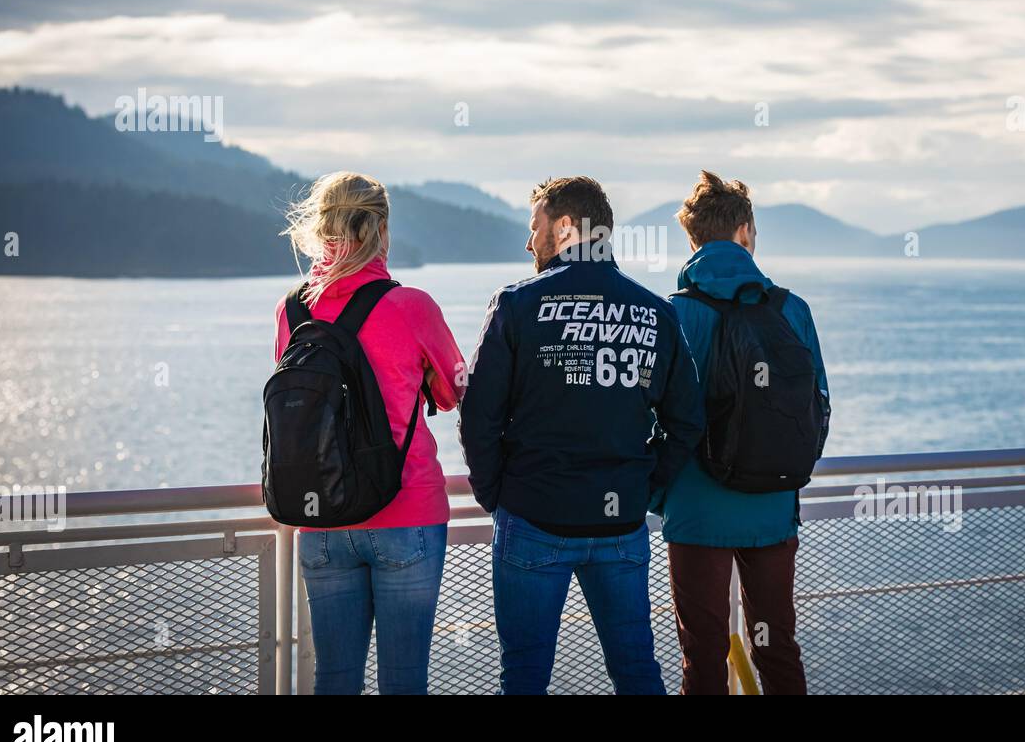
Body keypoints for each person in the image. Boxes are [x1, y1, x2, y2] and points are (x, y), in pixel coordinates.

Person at [459, 175, 705, 695]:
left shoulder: (517, 305)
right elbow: (687, 421)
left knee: (523, 676)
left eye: (536, 227)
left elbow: (478, 414)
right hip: (620, 523)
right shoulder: (654, 313)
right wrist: (646, 488)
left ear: (566, 226)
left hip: (532, 515)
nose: (529, 242)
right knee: (636, 670)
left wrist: (496, 495)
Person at [275, 171, 465, 694]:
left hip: (322, 517)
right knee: (403, 682)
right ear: (381, 229)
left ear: (320, 228)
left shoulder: (292, 311)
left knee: (335, 679)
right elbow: (452, 390)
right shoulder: (412, 307)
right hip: (406, 512)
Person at [652, 170, 830, 695]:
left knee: (702, 653)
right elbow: (819, 407)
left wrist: (664, 494)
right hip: (772, 509)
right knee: (777, 647)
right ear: (746, 231)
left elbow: (650, 415)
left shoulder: (671, 314)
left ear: (692, 239)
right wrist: (787, 473)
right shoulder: (791, 310)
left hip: (695, 510)